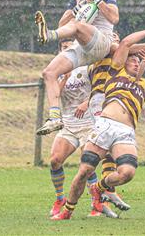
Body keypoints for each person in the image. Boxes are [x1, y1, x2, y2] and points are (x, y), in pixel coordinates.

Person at [51, 27, 145, 220]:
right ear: (123, 61)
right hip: (105, 125)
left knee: (127, 173)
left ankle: (99, 188)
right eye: (132, 60)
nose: (135, 63)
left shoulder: (144, 84)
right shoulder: (114, 73)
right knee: (85, 169)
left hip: (125, 131)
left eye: (138, 61)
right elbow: (125, 44)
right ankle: (68, 210)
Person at [34, 0, 120, 136]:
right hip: (82, 46)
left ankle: (49, 35)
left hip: (102, 42)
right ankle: (54, 118)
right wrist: (76, 9)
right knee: (49, 73)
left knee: (78, 26)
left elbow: (114, 18)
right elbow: (62, 24)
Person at [48, 39, 118, 218]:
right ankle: (59, 199)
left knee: (88, 164)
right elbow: (55, 93)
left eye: (71, 46)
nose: (68, 49)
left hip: (88, 123)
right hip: (69, 124)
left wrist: (86, 103)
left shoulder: (88, 64)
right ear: (60, 50)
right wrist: (65, 75)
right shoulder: (56, 68)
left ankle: (96, 203)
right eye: (64, 47)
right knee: (55, 160)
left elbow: (100, 88)